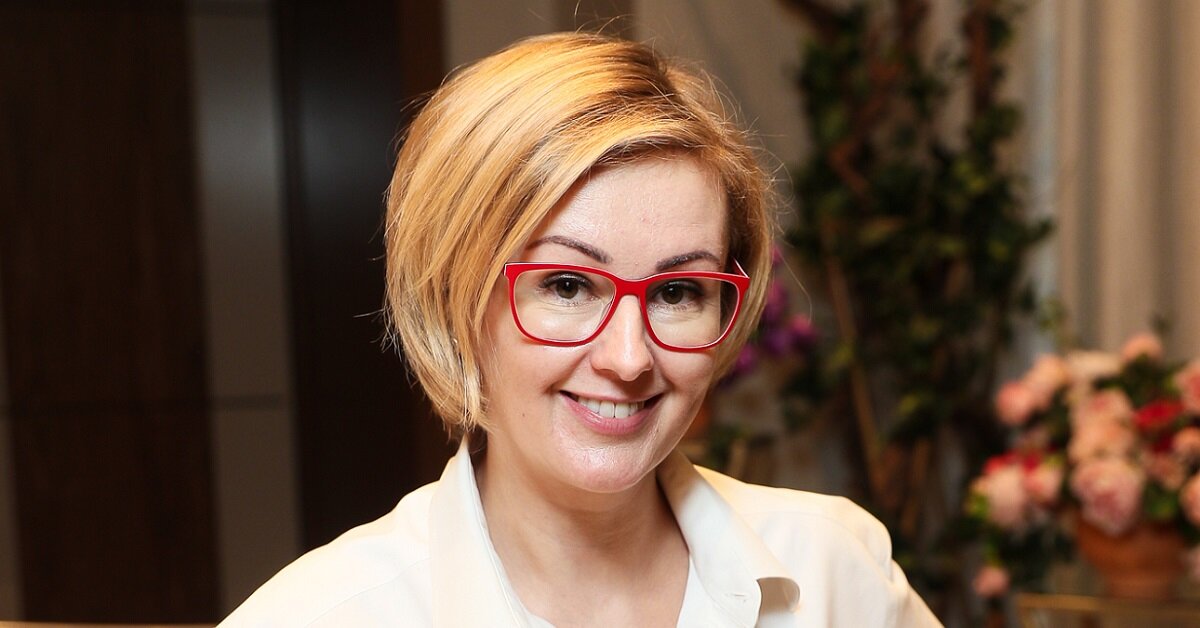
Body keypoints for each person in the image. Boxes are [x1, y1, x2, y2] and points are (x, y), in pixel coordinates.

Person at [222, 32, 940, 627]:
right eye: (567, 286)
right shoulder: (319, 616)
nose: (629, 359)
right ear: (456, 297)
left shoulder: (836, 574)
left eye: (678, 292)